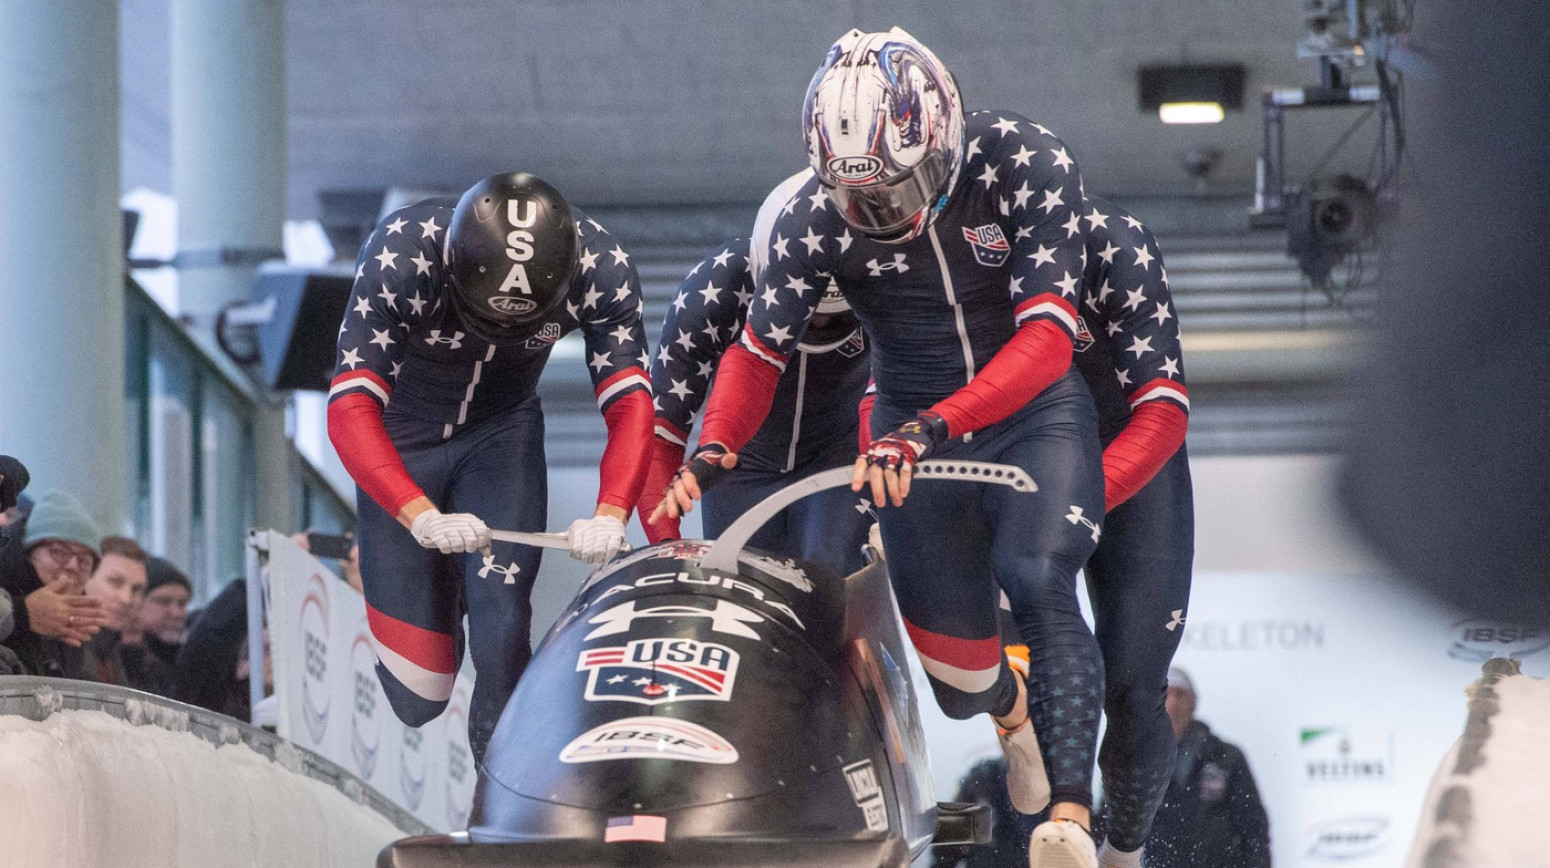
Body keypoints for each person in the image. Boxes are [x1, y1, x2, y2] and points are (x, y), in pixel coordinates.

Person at [656, 28, 1106, 866]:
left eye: (902, 191)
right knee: (958, 682)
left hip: (1026, 412)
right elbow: (756, 355)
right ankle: (1009, 712)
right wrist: (713, 449)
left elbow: (1047, 338)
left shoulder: (1026, 159)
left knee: (1040, 579)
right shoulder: (806, 219)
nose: (884, 218)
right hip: (912, 429)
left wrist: (928, 426)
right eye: (859, 202)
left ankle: (1071, 817)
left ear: (944, 135)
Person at [327, 172, 653, 761]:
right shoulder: (403, 251)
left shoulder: (600, 265)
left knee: (502, 630)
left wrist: (612, 512)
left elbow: (631, 402)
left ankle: (500, 800)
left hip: (500, 437)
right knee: (419, 696)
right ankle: (438, 587)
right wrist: (419, 515)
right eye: (487, 317)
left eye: (519, 325)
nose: (501, 332)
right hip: (403, 445)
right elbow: (350, 407)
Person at [637, 174, 874, 572]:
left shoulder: (886, 284)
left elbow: (901, 386)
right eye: (802, 311)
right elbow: (661, 426)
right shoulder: (712, 290)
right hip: (738, 464)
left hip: (839, 457)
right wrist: (667, 545)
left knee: (830, 585)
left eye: (832, 320)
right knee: (737, 591)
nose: (811, 325)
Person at [1066, 198, 1193, 868]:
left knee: (1136, 687)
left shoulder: (1117, 246)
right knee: (1034, 654)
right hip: (1029, 458)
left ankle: (1124, 850)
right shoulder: (961, 255)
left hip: (1133, 457)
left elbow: (1163, 412)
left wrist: (1077, 507)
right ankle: (1056, 817)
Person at [1139, 668, 1270, 868]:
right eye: (1166, 694)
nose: (1173, 703)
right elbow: (1110, 826)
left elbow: (1253, 826)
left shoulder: (1226, 757)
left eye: (1180, 694)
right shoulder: (1138, 760)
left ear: (1193, 701)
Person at [0, 490, 107, 676]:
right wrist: (23, 614)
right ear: (29, 553)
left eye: (84, 561)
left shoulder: (80, 629)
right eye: (59, 552)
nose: (73, 566)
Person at [79, 535, 150, 687]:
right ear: (85, 579)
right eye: (115, 582)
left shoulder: (114, 650)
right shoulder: (63, 647)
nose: (127, 599)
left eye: (137, 589)